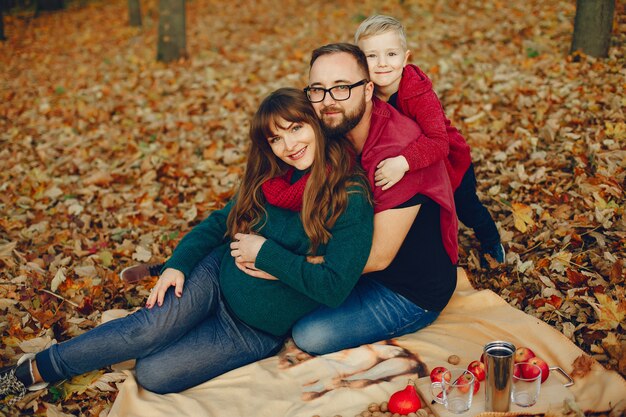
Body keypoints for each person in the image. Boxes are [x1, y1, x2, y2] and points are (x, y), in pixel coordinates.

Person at [0, 88, 373, 406]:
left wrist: (268, 256)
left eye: (296, 128)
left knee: (154, 373)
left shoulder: (349, 194)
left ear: (316, 124)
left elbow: (335, 286)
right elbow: (216, 224)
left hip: (252, 330)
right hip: (213, 277)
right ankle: (36, 369)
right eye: (276, 138)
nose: (289, 145)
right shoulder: (270, 175)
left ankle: (151, 329)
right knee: (145, 332)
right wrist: (179, 264)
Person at [238, 43, 459, 356]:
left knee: (311, 335)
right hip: (343, 262)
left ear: (368, 90)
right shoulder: (330, 128)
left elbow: (379, 257)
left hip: (406, 286)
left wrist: (278, 263)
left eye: (341, 88)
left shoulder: (399, 152)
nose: (328, 102)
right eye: (318, 90)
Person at [354, 15, 505, 265]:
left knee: (466, 207)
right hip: (417, 168)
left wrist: (402, 162)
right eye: (371, 56)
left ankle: (490, 238)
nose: (382, 64)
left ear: (405, 57)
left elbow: (438, 141)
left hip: (450, 164)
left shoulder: (417, 93)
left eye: (391, 54)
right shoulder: (366, 93)